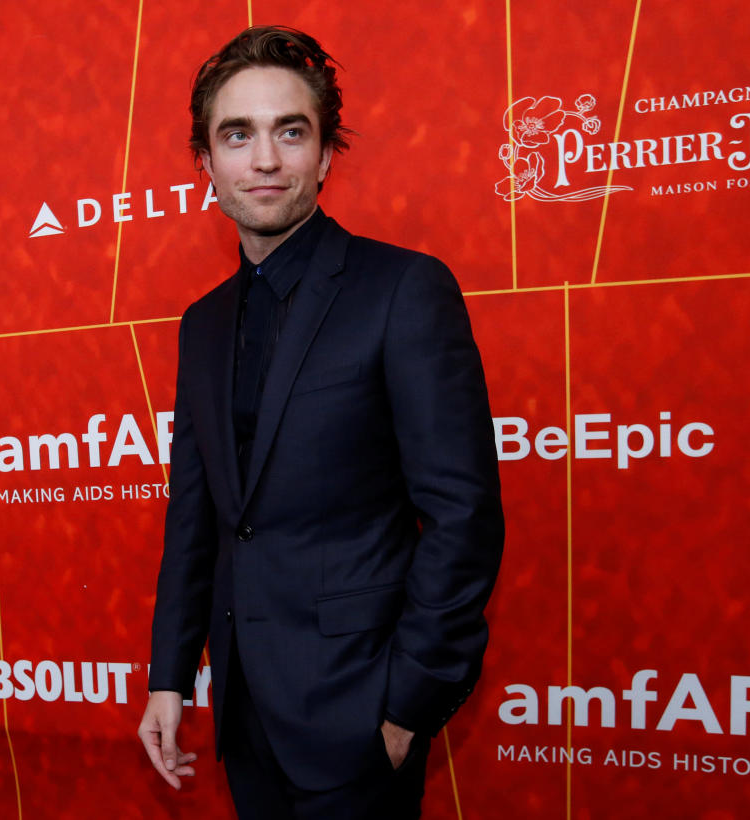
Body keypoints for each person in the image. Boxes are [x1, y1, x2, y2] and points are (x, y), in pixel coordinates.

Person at [137, 26, 504, 819]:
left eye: (289, 131)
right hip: (244, 713)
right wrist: (170, 676)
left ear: (326, 154)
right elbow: (194, 515)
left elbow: (462, 515)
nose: (264, 159)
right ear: (206, 164)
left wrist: (409, 704)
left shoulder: (402, 290)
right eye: (238, 135)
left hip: (358, 714)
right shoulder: (201, 324)